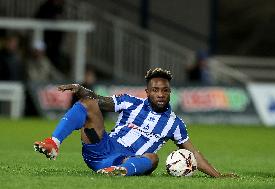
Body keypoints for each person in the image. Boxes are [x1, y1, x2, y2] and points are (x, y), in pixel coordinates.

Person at [34, 68, 235, 177]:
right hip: (101, 147)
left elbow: (193, 154)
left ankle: (118, 172)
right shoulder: (131, 102)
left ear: (170, 93)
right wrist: (82, 89)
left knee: (153, 158)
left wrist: (217, 175)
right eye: (155, 90)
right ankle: (54, 142)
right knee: (87, 104)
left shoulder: (175, 124)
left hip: (125, 160)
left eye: (164, 90)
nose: (160, 94)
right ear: (147, 92)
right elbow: (99, 101)